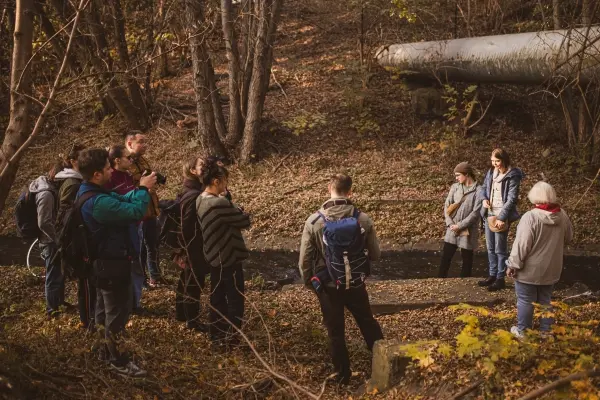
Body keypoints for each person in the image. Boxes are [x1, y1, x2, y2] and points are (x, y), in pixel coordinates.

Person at [77, 148, 156, 377]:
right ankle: (118, 361)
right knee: (118, 313)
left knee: (103, 310)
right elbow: (133, 212)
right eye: (106, 168)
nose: (111, 170)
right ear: (96, 174)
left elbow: (121, 199)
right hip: (112, 264)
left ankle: (103, 351)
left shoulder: (92, 192)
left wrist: (138, 188)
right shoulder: (98, 202)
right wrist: (143, 190)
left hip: (104, 263)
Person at [298, 174, 383, 385]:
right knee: (367, 322)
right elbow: (375, 255)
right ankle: (382, 361)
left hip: (328, 285)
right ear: (350, 192)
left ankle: (343, 375)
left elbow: (304, 261)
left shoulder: (314, 221)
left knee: (335, 331)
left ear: (329, 188)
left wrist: (310, 282)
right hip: (355, 283)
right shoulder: (362, 219)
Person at [506, 182, 573, 338]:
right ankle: (546, 332)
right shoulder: (562, 215)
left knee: (525, 300)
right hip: (552, 268)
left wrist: (512, 264)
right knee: (545, 300)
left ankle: (523, 332)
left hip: (529, 270)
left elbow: (522, 245)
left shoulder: (530, 217)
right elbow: (569, 237)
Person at [196, 158, 250, 349]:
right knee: (235, 298)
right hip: (228, 257)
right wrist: (235, 207)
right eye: (225, 181)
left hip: (213, 256)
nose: (226, 185)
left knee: (217, 296)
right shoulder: (218, 203)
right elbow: (244, 221)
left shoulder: (200, 198)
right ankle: (232, 338)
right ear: (217, 180)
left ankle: (216, 335)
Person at [54, 144, 91, 328]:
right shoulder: (72, 183)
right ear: (73, 161)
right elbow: (65, 213)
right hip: (73, 237)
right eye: (82, 156)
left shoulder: (77, 181)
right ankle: (86, 321)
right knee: (82, 280)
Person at [478, 148, 525, 291]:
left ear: (504, 160)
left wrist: (502, 218)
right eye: (492, 161)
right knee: (490, 247)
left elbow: (512, 199)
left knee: (500, 249)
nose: (494, 164)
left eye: (497, 161)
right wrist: (484, 199)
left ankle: (500, 278)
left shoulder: (513, 176)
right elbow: (483, 188)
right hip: (489, 214)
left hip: (501, 216)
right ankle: (492, 275)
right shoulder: (491, 172)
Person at [107, 145, 145, 315]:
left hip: (136, 225)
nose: (131, 160)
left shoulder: (128, 175)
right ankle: (126, 305)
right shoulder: (110, 178)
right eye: (127, 157)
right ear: (117, 160)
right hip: (122, 229)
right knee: (126, 267)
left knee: (137, 265)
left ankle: (135, 303)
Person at [175, 156, 210, 332]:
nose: (205, 168)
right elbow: (186, 225)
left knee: (187, 279)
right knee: (193, 282)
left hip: (191, 245)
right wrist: (185, 249)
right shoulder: (194, 195)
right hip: (193, 246)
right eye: (201, 166)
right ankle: (192, 320)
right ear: (192, 171)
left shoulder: (194, 189)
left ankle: (182, 314)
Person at [125, 133, 162, 287]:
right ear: (129, 143)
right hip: (138, 210)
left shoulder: (142, 160)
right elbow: (127, 187)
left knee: (153, 244)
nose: (144, 145)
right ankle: (142, 280)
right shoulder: (124, 163)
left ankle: (155, 276)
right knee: (139, 248)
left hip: (151, 208)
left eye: (145, 142)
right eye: (140, 142)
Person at [439, 162, 482, 278]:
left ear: (466, 174)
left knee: (467, 261)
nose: (456, 178)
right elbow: (447, 206)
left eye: (458, 175)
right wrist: (450, 224)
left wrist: (460, 225)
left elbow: (476, 213)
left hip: (468, 230)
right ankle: (439, 281)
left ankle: (465, 284)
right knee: (445, 258)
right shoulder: (455, 187)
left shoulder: (479, 190)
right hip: (452, 228)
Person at [31, 163, 62, 318]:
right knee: (53, 274)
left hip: (52, 239)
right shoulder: (47, 194)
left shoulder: (51, 189)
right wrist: (57, 239)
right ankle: (52, 309)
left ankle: (59, 302)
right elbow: (43, 222)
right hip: (49, 241)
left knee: (59, 272)